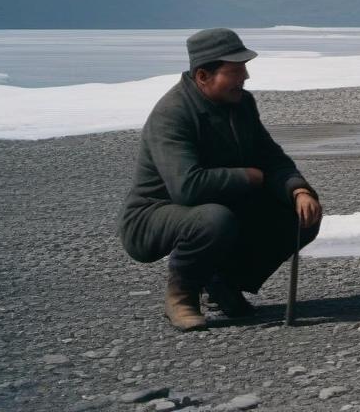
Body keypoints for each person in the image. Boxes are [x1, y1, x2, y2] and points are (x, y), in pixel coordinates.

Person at [119, 29, 322, 330]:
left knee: (302, 214)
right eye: (235, 70)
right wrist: (247, 177)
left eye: (244, 68)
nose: (246, 77)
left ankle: (224, 283)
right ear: (203, 75)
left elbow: (270, 157)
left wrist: (299, 190)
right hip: (153, 213)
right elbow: (187, 187)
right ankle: (182, 296)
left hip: (219, 204)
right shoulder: (172, 115)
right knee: (214, 220)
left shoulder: (241, 104)